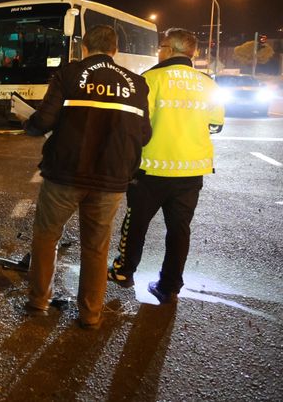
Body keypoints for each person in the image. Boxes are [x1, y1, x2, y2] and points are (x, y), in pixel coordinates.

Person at [18, 25, 151, 329]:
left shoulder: (68, 74)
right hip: (112, 178)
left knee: (47, 235)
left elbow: (45, 120)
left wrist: (29, 122)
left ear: (84, 46)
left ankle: (39, 300)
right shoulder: (137, 84)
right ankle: (90, 314)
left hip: (66, 173)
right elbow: (144, 135)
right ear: (115, 49)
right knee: (96, 246)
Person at [108, 28, 224, 303]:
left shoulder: (150, 79)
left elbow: (135, 124)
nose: (158, 51)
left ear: (169, 50)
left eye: (160, 46)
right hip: (191, 170)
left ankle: (124, 272)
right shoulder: (208, 83)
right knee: (179, 229)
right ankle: (170, 285)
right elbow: (215, 125)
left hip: (151, 168)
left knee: (135, 223)